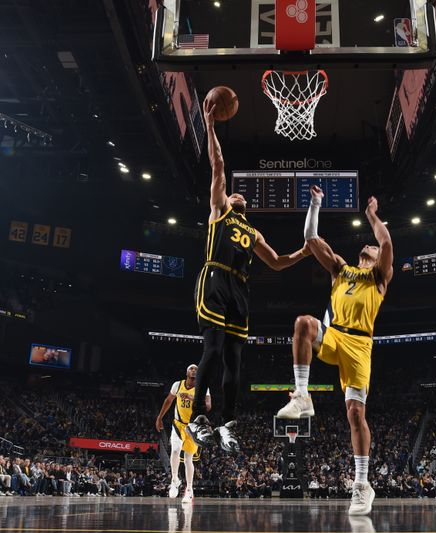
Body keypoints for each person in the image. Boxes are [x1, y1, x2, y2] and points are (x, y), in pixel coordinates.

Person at [186, 98, 310, 453]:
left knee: (235, 357)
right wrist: (210, 126)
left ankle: (226, 422)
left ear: (247, 206)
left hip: (240, 288)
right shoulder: (219, 210)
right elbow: (219, 164)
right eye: (233, 190)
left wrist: (303, 251)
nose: (236, 192)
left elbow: (277, 262)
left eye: (241, 194)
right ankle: (198, 416)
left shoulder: (253, 233)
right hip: (215, 278)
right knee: (212, 347)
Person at [276, 186, 393, 516]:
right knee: (302, 323)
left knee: (356, 415)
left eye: (370, 244)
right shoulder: (341, 269)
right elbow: (311, 238)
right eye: (367, 245)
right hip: (334, 334)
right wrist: (315, 203)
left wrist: (372, 216)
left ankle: (361, 484)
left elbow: (385, 243)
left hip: (360, 345)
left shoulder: (380, 276)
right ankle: (302, 394)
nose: (368, 245)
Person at [156, 364, 210, 504]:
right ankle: (174, 480)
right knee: (174, 449)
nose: (194, 370)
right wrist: (159, 417)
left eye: (197, 369)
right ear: (187, 372)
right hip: (178, 424)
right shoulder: (177, 385)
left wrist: (192, 398)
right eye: (191, 368)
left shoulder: (203, 387)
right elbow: (168, 401)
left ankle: (189, 489)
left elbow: (208, 406)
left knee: (188, 459)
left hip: (193, 427)